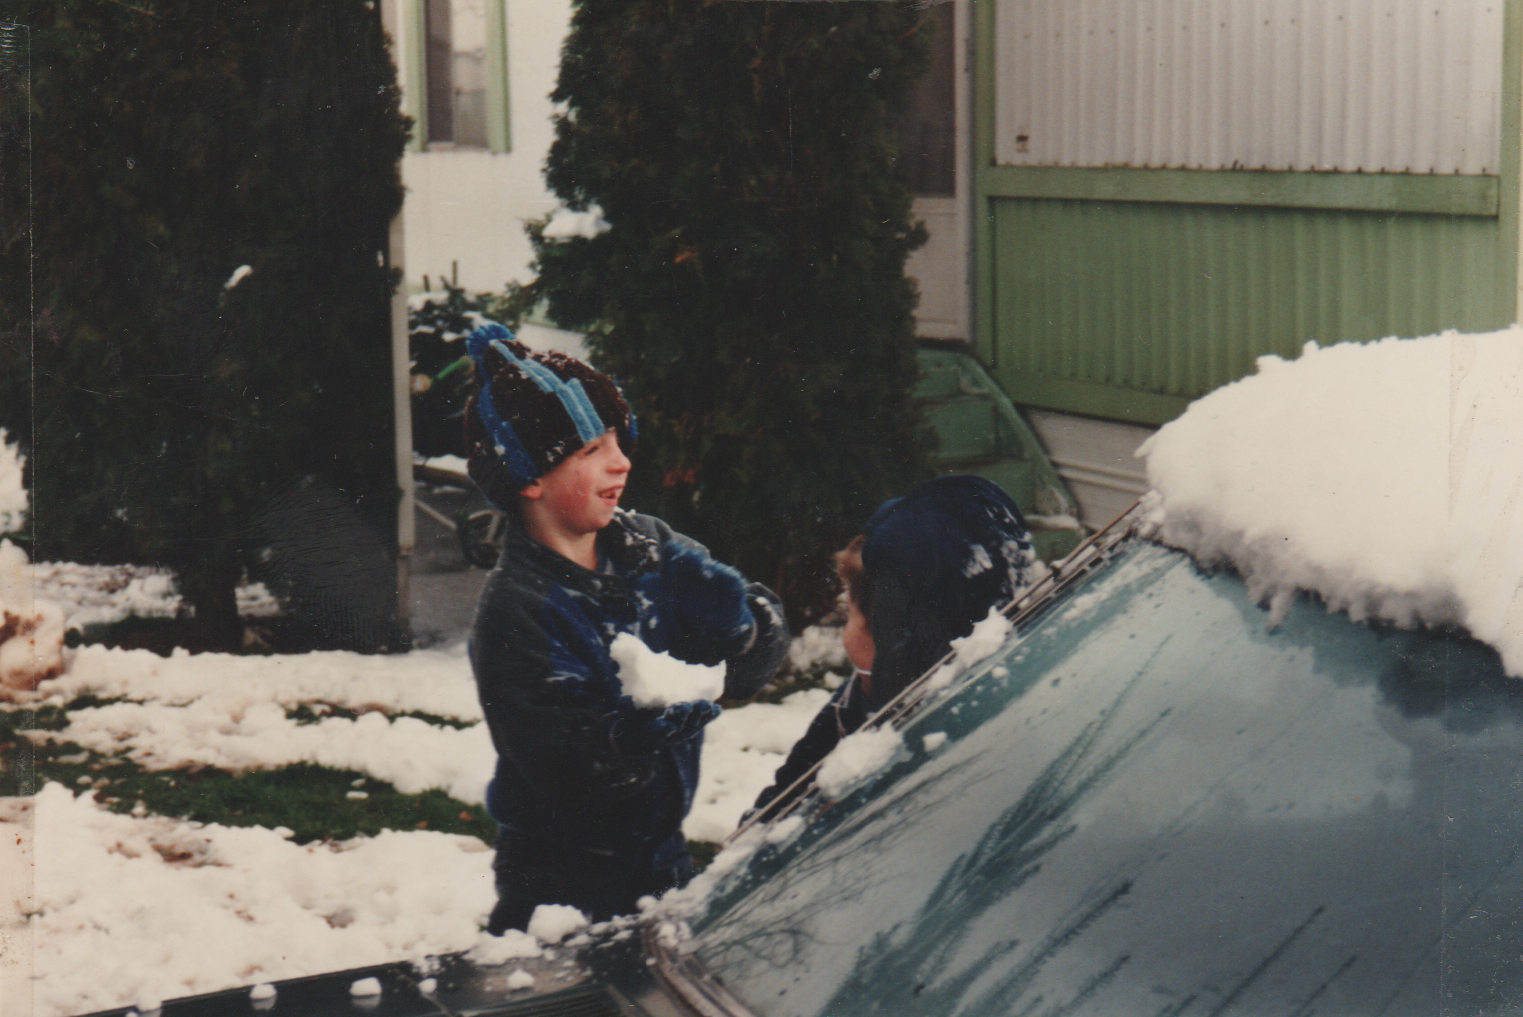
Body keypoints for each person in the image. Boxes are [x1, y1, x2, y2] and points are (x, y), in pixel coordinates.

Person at [462, 323, 789, 933]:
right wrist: (627, 741)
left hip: (660, 858)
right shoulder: (519, 611)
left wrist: (742, 630)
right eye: (591, 450)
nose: (621, 460)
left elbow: (750, 663)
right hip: (560, 883)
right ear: (529, 478)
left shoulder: (649, 547)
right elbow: (563, 767)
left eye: (618, 439)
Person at [750, 475, 1037, 819]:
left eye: (850, 615)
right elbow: (770, 815)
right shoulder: (852, 706)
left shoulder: (936, 757)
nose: (845, 634)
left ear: (893, 638)